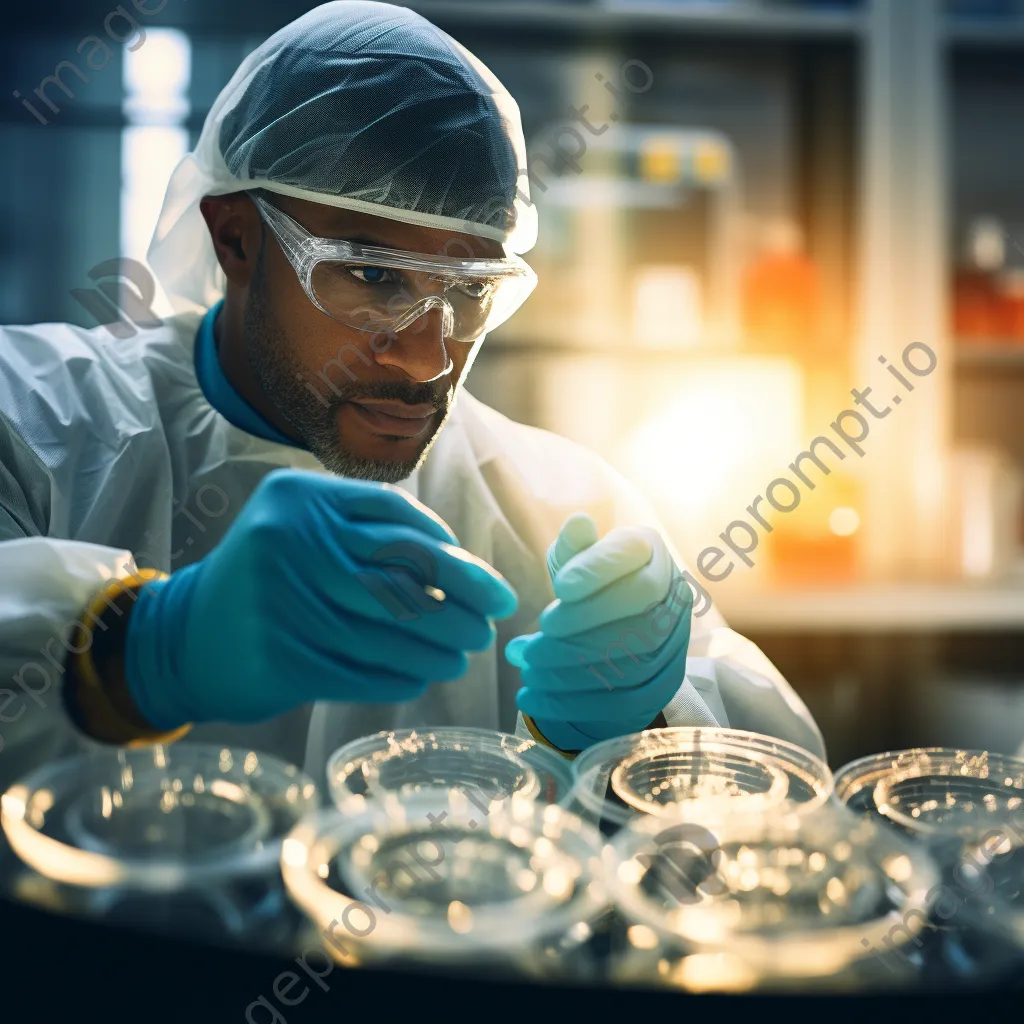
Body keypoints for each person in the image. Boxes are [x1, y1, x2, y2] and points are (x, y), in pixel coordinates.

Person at [0, 1, 823, 793]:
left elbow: (783, 795)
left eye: (470, 290)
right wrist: (136, 653)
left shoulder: (566, 511)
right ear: (235, 239)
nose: (430, 359)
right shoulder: (30, 424)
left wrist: (644, 732)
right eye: (371, 275)